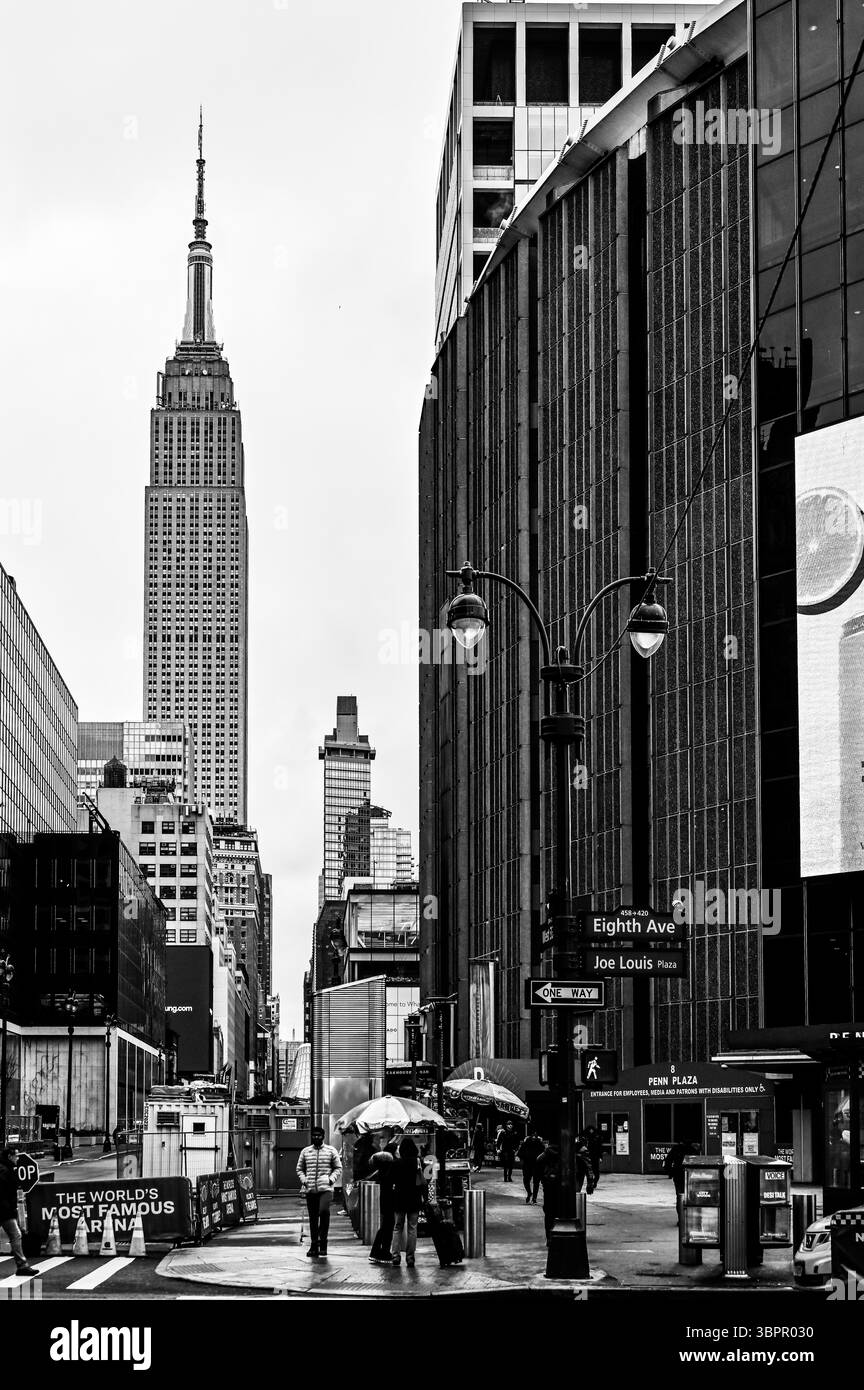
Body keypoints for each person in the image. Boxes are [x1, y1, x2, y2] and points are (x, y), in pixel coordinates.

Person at [297, 1125, 342, 1259]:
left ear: (323, 1136)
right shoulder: (305, 1151)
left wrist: (330, 1180)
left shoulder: (331, 1150)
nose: (316, 1137)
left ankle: (323, 1242)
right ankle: (314, 1245)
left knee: (323, 1211)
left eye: (319, 1135)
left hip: (326, 1189)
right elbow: (299, 1169)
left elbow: (338, 1168)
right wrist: (304, 1180)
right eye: (314, 1135)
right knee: (313, 1218)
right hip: (310, 1189)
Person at [535, 1141, 595, 1242]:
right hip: (567, 1185)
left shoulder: (546, 1154)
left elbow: (538, 1166)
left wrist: (541, 1181)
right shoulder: (570, 1151)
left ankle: (550, 1236)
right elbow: (587, 1165)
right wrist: (590, 1183)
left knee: (549, 1211)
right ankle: (567, 1232)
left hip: (549, 1185)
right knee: (567, 1209)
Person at [0, 1146, 39, 1277]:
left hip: (5, 1209)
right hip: (3, 1210)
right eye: (15, 1156)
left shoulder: (6, 1168)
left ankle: (22, 1265)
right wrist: (10, 1209)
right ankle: (22, 1266)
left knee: (15, 1235)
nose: (18, 1158)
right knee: (16, 1235)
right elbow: (4, 1193)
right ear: (9, 1156)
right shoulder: (4, 1170)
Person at [389, 1135, 426, 1267]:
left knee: (397, 1227)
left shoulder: (396, 1163)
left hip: (399, 1199)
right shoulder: (417, 1162)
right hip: (414, 1198)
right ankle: (410, 1257)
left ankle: (395, 1255)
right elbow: (423, 1182)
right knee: (412, 1228)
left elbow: (391, 1180)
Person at [516, 1127, 546, 1204]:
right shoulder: (527, 1143)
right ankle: (530, 1194)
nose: (534, 1137)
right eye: (533, 1135)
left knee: (534, 1182)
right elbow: (520, 1153)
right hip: (529, 1165)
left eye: (535, 1135)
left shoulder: (538, 1143)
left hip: (535, 1165)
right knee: (528, 1181)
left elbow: (544, 1154)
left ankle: (534, 1198)